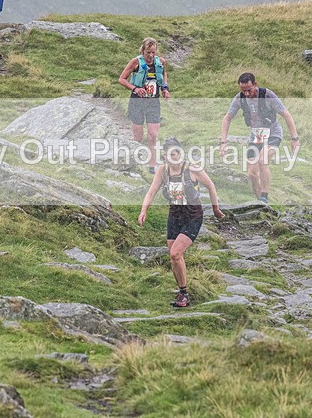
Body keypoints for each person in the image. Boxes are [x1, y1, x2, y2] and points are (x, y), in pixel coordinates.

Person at [139, 137, 225, 308]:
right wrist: (144, 210)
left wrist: (215, 209)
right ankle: (181, 291)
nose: (173, 156)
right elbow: (151, 192)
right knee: (174, 257)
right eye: (170, 153)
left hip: (192, 215)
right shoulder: (163, 171)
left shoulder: (192, 169)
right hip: (174, 215)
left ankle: (184, 294)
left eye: (176, 152)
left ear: (181, 153)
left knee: (175, 254)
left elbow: (211, 186)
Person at [219, 73, 300, 204]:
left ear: (255, 85)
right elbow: (227, 118)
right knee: (251, 173)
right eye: (242, 90)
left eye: (249, 90)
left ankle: (265, 196)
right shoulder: (240, 98)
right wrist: (223, 142)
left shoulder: (267, 95)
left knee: (263, 160)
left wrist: (294, 138)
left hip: (273, 133)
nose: (246, 93)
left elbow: (286, 115)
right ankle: (260, 204)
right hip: (256, 136)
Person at [118, 37, 170, 173]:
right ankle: (133, 163)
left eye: (153, 52)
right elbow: (122, 79)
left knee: (153, 135)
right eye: (148, 52)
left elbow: (164, 75)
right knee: (138, 138)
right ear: (143, 50)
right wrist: (135, 88)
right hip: (137, 102)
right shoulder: (136, 62)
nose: (151, 56)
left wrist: (165, 89)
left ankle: (152, 166)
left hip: (153, 102)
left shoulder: (161, 62)